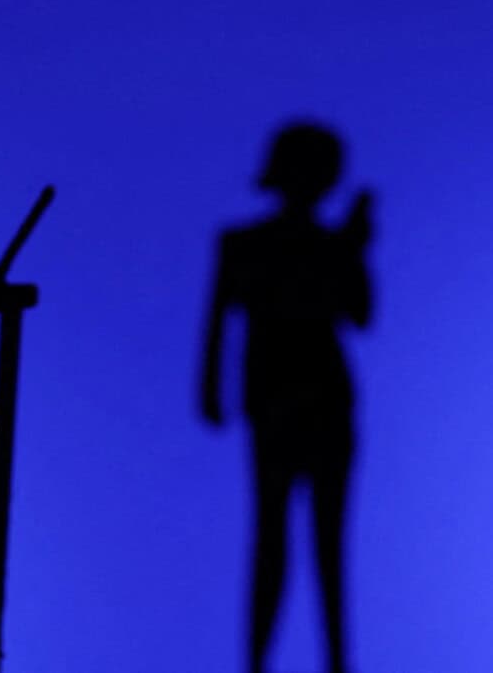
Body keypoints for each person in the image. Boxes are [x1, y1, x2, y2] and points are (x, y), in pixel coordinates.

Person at [201, 121, 373, 673]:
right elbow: (217, 322)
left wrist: (355, 248)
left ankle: (333, 662)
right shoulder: (243, 244)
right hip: (280, 402)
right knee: (276, 539)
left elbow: (360, 313)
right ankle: (260, 663)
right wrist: (211, 388)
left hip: (318, 400)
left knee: (324, 544)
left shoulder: (323, 245)